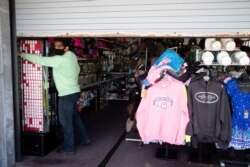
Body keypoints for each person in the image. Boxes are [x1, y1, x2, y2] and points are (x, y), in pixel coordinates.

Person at [19, 38, 90, 155]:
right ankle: (84, 139)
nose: (56, 48)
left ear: (66, 48)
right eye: (55, 46)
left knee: (65, 122)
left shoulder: (60, 60)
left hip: (66, 94)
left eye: (59, 46)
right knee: (75, 117)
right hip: (74, 92)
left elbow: (40, 60)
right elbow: (77, 70)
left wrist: (22, 54)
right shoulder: (72, 56)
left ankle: (69, 148)